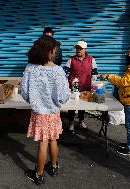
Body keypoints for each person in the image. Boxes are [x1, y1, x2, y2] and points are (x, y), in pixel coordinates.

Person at [20, 35, 70, 185]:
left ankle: (39, 174)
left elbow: (24, 92)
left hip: (40, 113)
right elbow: (64, 95)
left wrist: (34, 102)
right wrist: (57, 104)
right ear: (48, 52)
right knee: (53, 139)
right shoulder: (58, 70)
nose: (55, 53)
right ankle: (53, 167)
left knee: (43, 142)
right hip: (54, 112)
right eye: (54, 50)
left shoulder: (30, 69)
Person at [63, 40, 98, 133]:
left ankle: (81, 121)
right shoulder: (71, 60)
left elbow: (94, 73)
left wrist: (93, 85)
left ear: (85, 49)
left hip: (86, 85)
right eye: (77, 48)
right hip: (75, 85)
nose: (78, 50)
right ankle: (71, 122)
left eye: (80, 49)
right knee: (73, 104)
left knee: (82, 104)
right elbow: (64, 72)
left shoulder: (91, 59)